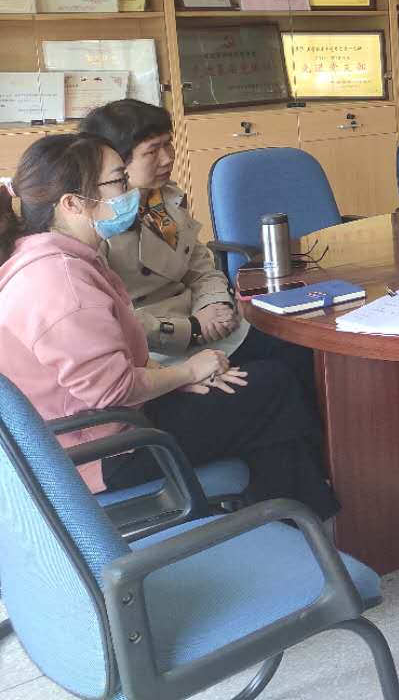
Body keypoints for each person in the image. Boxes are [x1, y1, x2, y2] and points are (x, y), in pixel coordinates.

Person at [0, 133, 337, 518]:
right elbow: (112, 390)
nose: (129, 192)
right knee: (269, 388)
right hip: (105, 451)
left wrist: (176, 379)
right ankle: (306, 516)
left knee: (256, 390)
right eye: (118, 182)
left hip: (103, 426)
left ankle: (292, 515)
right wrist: (187, 371)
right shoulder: (62, 284)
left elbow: (113, 366)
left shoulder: (45, 256)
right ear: (72, 203)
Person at [79, 99, 316, 398]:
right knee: (275, 381)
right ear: (115, 161)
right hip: (162, 348)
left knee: (299, 346)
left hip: (207, 321)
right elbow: (118, 320)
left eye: (168, 144)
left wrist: (213, 304)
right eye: (152, 151)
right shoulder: (100, 224)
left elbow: (201, 264)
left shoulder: (164, 199)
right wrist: (192, 327)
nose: (167, 158)